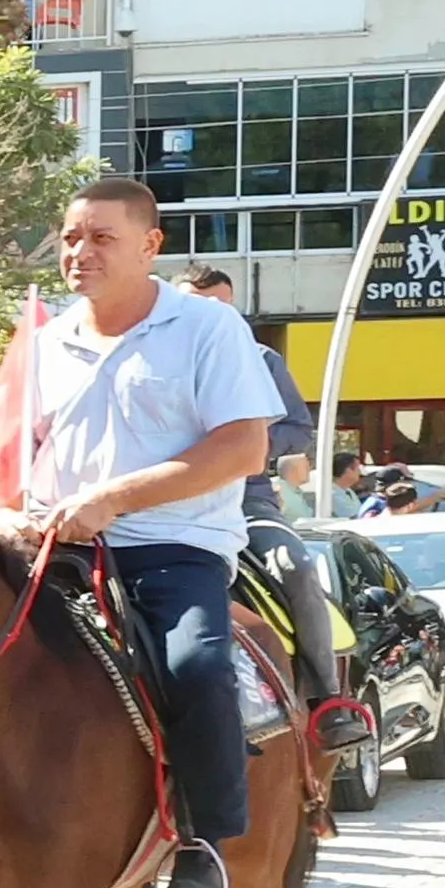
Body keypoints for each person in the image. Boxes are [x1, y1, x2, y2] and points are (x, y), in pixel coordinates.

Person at [12, 177, 294, 888]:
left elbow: (242, 448)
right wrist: (10, 514)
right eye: (71, 237)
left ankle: (204, 841)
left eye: (101, 237)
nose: (80, 252)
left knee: (197, 667)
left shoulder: (206, 328)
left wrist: (115, 498)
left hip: (173, 548)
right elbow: (16, 455)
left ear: (150, 245)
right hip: (58, 550)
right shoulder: (44, 342)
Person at [181, 265, 346, 739]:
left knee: (295, 567)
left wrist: (246, 441)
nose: (210, 316)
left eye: (220, 306)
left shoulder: (263, 360)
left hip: (245, 502)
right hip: (160, 508)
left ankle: (327, 699)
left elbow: (299, 428)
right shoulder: (151, 354)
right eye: (197, 304)